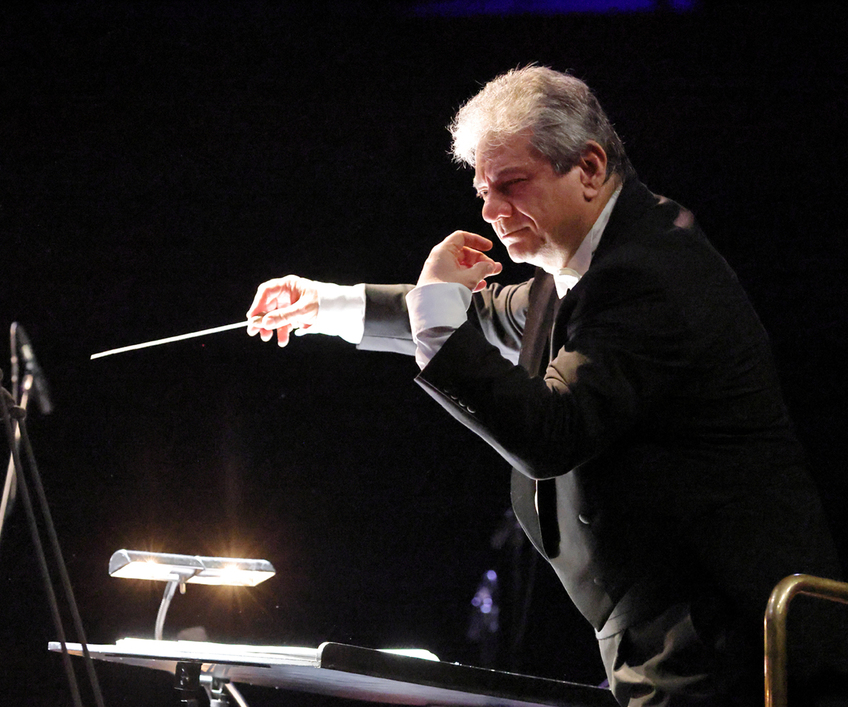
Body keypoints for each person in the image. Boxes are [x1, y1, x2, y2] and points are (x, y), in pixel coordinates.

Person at [245, 66, 843, 706]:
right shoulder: (580, 269)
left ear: (588, 168)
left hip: (730, 645)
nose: (494, 211)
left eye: (512, 184)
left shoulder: (649, 274)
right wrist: (324, 304)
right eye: (482, 192)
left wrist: (438, 316)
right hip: (676, 636)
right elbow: (481, 315)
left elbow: (551, 432)